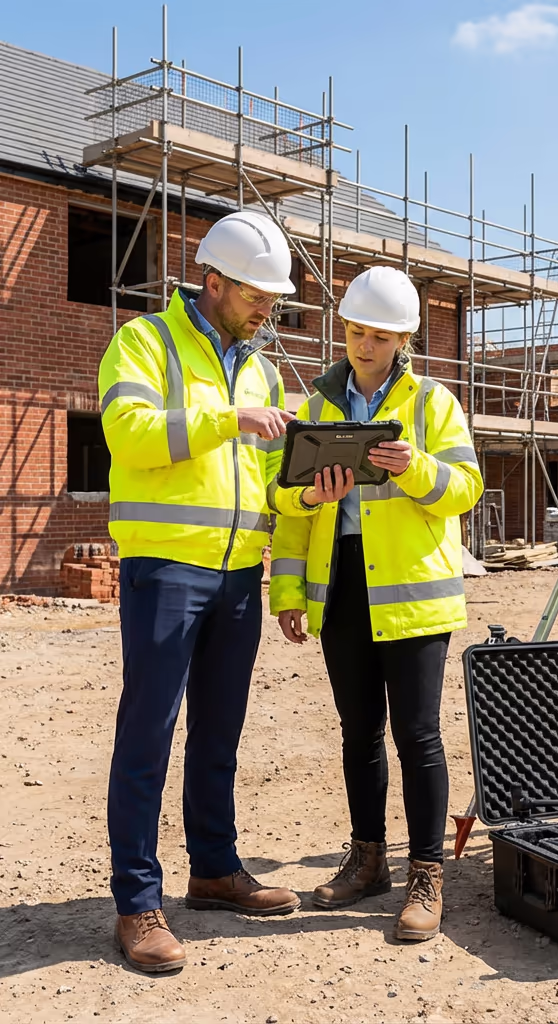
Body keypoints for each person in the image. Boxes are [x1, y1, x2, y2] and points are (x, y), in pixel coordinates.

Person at [99, 211, 302, 973]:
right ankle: (136, 902)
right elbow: (129, 434)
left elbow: (261, 480)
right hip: (166, 569)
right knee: (148, 735)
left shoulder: (262, 367)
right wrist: (227, 418)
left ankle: (214, 869)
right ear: (211, 281)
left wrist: (306, 491)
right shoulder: (145, 342)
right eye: (255, 293)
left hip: (239, 574)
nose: (266, 309)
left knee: (220, 731)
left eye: (272, 299)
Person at [269, 265, 483, 942]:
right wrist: (290, 584)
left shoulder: (432, 404)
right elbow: (286, 502)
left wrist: (414, 466)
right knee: (357, 733)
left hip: (413, 593)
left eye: (379, 335)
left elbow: (466, 488)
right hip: (343, 591)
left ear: (402, 338)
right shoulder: (317, 407)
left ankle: (425, 875)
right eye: (356, 331)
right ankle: (367, 861)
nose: (364, 345)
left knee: (417, 735)